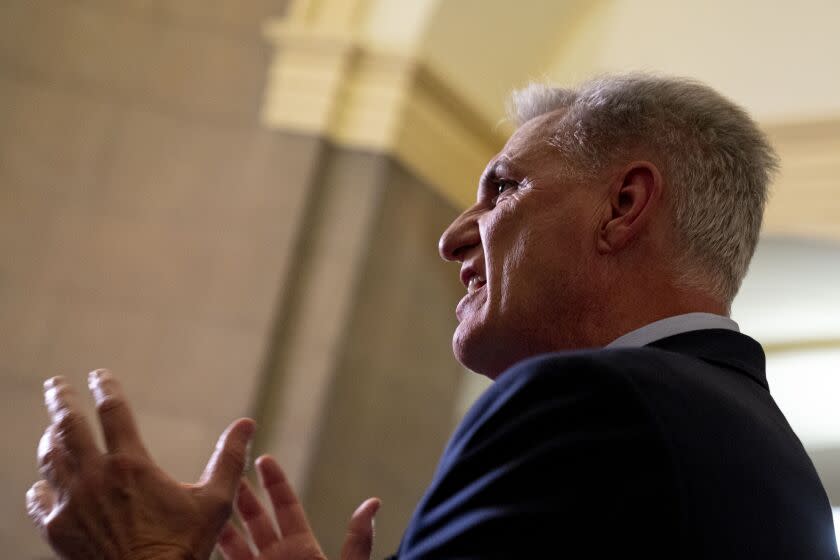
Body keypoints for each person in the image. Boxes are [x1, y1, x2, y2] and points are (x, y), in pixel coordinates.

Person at [27, 74, 839, 559]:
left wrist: (146, 553)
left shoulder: (589, 404)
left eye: (502, 189)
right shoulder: (776, 465)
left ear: (623, 205)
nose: (454, 236)